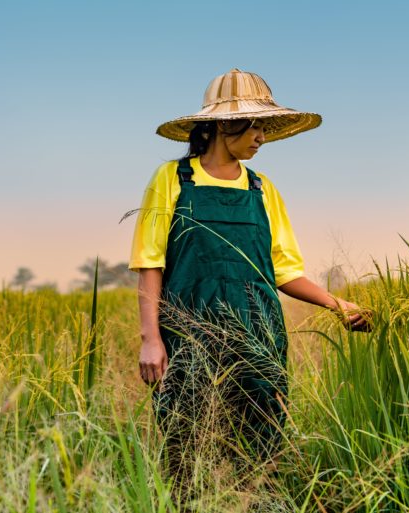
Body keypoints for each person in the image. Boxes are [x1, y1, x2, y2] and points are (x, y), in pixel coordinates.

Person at [128, 69, 371, 490]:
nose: (261, 136)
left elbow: (284, 271)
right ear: (223, 125)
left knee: (262, 449)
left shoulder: (263, 189)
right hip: (189, 333)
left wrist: (340, 306)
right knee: (186, 447)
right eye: (254, 125)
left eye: (264, 126)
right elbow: (150, 263)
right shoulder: (171, 179)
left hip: (258, 334)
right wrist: (151, 338)